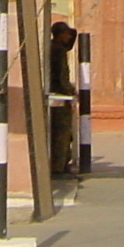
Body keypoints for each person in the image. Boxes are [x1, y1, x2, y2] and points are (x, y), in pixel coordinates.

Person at [48, 21, 79, 175]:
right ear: (60, 34)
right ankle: (59, 166)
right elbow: (62, 76)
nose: (68, 37)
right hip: (60, 95)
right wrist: (70, 91)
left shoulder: (53, 48)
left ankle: (60, 163)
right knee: (62, 132)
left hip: (54, 94)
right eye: (66, 34)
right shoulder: (58, 50)